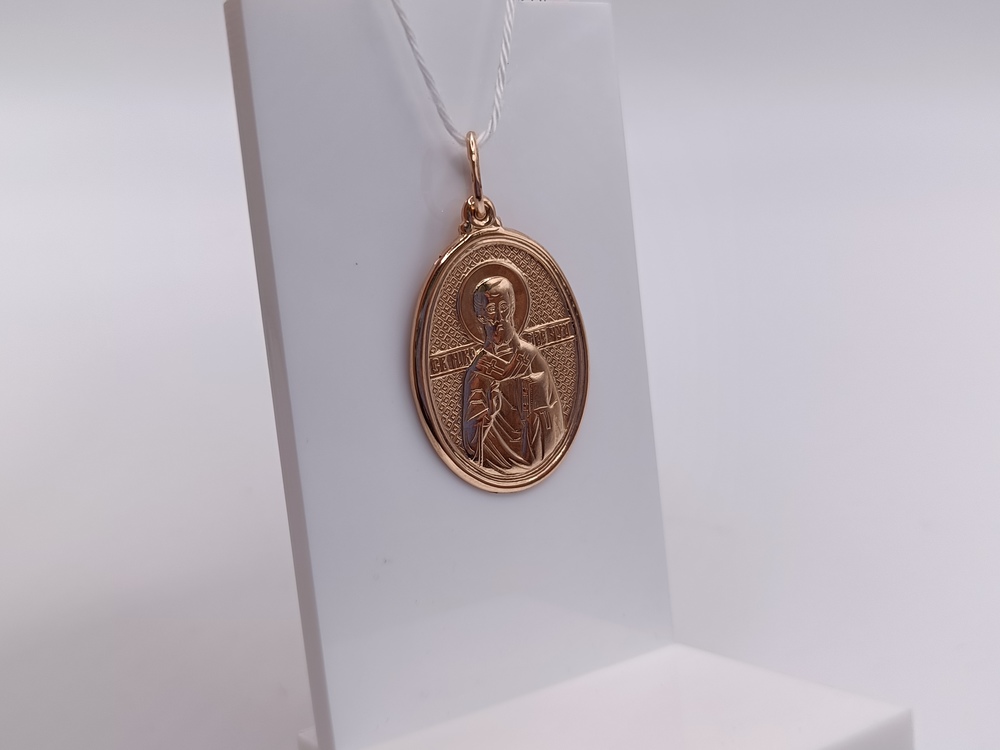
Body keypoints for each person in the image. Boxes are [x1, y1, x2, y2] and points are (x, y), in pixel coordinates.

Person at [462, 276, 565, 471]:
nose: (499, 317)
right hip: (496, 460)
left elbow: (554, 413)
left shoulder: (531, 356)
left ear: (512, 308)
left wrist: (529, 392)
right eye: (491, 310)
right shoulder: (479, 369)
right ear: (481, 316)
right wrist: (490, 413)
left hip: (535, 449)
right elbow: (471, 442)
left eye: (504, 307)